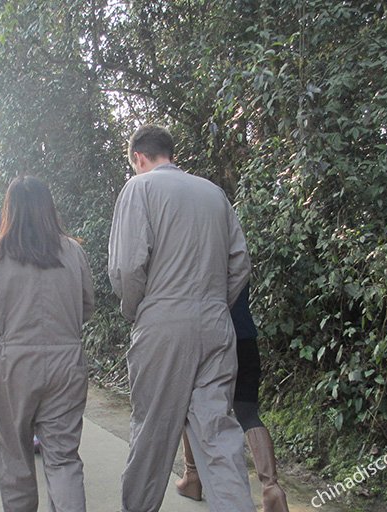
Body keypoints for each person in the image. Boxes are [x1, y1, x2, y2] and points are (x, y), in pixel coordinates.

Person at [108, 125, 255, 512]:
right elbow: (240, 262)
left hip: (163, 321)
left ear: (139, 157)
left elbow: (126, 268)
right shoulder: (213, 194)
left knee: (153, 433)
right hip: (216, 324)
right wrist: (214, 304)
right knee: (218, 435)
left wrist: (137, 309)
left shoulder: (139, 189)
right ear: (169, 152)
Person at [0, 176, 94, 511]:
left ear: (10, 209)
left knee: (16, 459)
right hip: (66, 361)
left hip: (12, 363)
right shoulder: (73, 251)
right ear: (49, 209)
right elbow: (87, 307)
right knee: (63, 459)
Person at [176, 283, 290, 511]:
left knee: (189, 405)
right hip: (246, 338)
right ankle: (271, 488)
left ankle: (193, 477)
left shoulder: (204, 254)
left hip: (214, 337)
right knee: (248, 413)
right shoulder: (237, 249)